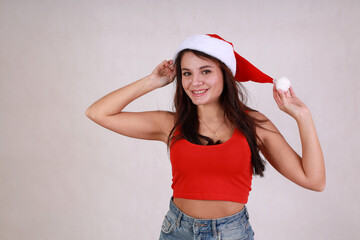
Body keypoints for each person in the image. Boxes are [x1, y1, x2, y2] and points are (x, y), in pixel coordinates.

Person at [85, 34, 326, 240]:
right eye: (187, 73)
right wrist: (152, 81)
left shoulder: (254, 125)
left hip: (231, 232)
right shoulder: (170, 124)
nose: (194, 82)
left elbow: (314, 180)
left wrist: (302, 116)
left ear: (225, 74)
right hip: (176, 230)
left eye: (206, 71)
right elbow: (97, 113)